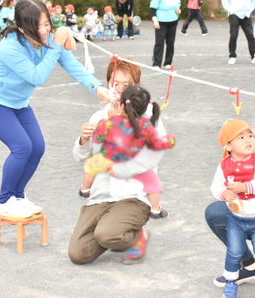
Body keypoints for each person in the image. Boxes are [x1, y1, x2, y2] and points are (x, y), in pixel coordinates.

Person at [0, 0, 109, 219]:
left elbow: (72, 66)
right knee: (22, 147)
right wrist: (56, 44)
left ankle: (17, 196)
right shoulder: (11, 46)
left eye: (47, 23)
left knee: (37, 147)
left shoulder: (47, 40)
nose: (46, 30)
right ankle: (4, 200)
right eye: (40, 26)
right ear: (22, 27)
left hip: (18, 104)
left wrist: (99, 89)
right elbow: (37, 77)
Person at [69, 58, 170, 266]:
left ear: (136, 87)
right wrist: (83, 140)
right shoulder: (98, 116)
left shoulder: (147, 115)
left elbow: (154, 154)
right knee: (78, 254)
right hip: (101, 195)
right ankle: (110, 227)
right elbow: (80, 156)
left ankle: (134, 233)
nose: (121, 90)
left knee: (107, 234)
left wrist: (119, 168)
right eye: (116, 84)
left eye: (128, 85)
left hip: (133, 195)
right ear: (107, 85)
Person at [79, 86, 175, 211]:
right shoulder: (145, 125)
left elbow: (97, 138)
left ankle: (85, 189)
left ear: (123, 105)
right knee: (152, 182)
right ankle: (156, 209)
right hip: (132, 164)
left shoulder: (111, 121)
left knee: (91, 166)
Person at [211, 119, 255, 298]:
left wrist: (244, 188)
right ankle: (231, 283)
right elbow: (216, 187)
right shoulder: (224, 165)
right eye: (242, 137)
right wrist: (223, 194)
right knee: (234, 253)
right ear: (228, 146)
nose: (248, 140)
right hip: (236, 219)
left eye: (250, 136)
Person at [222, 0, 255, 65]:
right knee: (234, 35)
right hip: (234, 14)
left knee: (250, 35)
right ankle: (232, 55)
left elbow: (253, 1)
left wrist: (249, 10)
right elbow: (225, 1)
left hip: (246, 15)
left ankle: (254, 55)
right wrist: (231, 11)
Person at [150, 0, 181, 69]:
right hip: (160, 22)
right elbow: (152, 9)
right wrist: (155, 20)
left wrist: (179, 10)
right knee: (159, 43)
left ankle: (168, 62)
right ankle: (156, 63)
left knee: (170, 43)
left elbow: (178, 6)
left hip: (173, 21)